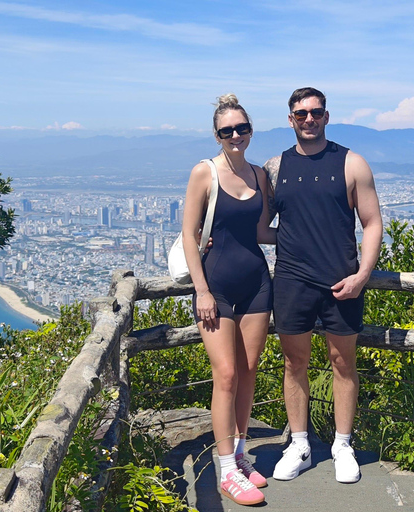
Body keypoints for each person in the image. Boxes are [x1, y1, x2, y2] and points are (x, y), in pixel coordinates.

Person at [264, 87, 383, 484]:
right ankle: (299, 443)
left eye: (315, 112)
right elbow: (263, 227)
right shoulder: (274, 168)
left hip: (342, 280)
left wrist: (363, 275)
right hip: (292, 280)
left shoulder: (351, 163)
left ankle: (342, 444)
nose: (309, 119)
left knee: (342, 363)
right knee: (294, 363)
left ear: (327, 116)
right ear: (291, 119)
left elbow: (371, 223)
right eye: (301, 114)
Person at [182, 94, 276, 506]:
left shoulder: (259, 175)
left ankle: (239, 454)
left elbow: (261, 231)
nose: (236, 135)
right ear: (216, 135)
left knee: (249, 369)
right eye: (227, 130)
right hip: (215, 286)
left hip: (256, 280)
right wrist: (201, 290)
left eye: (242, 128)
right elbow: (189, 234)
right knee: (225, 375)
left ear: (251, 131)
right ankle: (225, 471)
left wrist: (314, 237)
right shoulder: (205, 172)